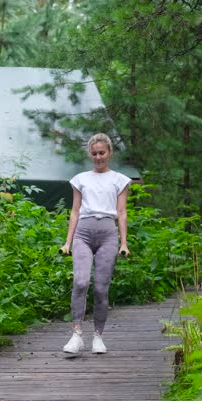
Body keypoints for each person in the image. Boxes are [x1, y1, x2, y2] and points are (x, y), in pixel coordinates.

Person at [59, 133, 131, 354]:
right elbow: (74, 211)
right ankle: (77, 335)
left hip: (108, 234)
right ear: (90, 154)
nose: (98, 157)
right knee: (81, 282)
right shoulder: (81, 179)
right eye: (94, 153)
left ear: (109, 153)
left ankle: (98, 336)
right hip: (83, 232)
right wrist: (67, 242)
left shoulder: (120, 180)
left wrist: (124, 243)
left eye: (102, 153)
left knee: (101, 288)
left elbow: (121, 212)